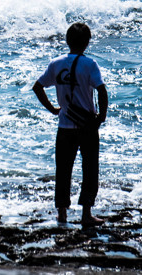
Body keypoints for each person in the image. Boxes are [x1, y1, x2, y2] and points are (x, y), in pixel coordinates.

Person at [32, 22, 109, 227]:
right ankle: (86, 213)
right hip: (87, 126)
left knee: (63, 170)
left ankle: (62, 214)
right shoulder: (90, 64)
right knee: (90, 169)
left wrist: (52, 109)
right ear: (87, 43)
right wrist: (101, 116)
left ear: (67, 41)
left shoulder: (56, 63)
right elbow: (101, 90)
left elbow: (38, 87)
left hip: (65, 125)